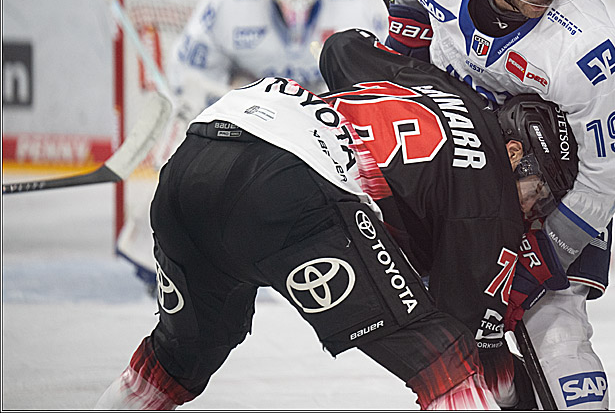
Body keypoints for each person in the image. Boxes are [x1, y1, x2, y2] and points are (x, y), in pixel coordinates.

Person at [96, 27, 579, 410]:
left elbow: (340, 49)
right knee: (443, 359)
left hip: (203, 150)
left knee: (178, 360)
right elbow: (473, 340)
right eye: (537, 192)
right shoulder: (491, 199)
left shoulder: (435, 84)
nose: (532, 212)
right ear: (513, 151)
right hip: (291, 186)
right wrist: (522, 397)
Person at [385, 0, 615, 409]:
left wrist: (547, 255)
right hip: (466, 167)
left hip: (552, 189)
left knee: (558, 328)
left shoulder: (586, 45)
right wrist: (405, 38)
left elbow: (610, 172)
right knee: (459, 328)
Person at [114, 0, 387, 284]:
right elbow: (189, 73)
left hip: (320, 110)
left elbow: (375, 80)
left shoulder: (353, 0)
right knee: (181, 143)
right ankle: (161, 249)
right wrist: (213, 106)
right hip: (247, 107)